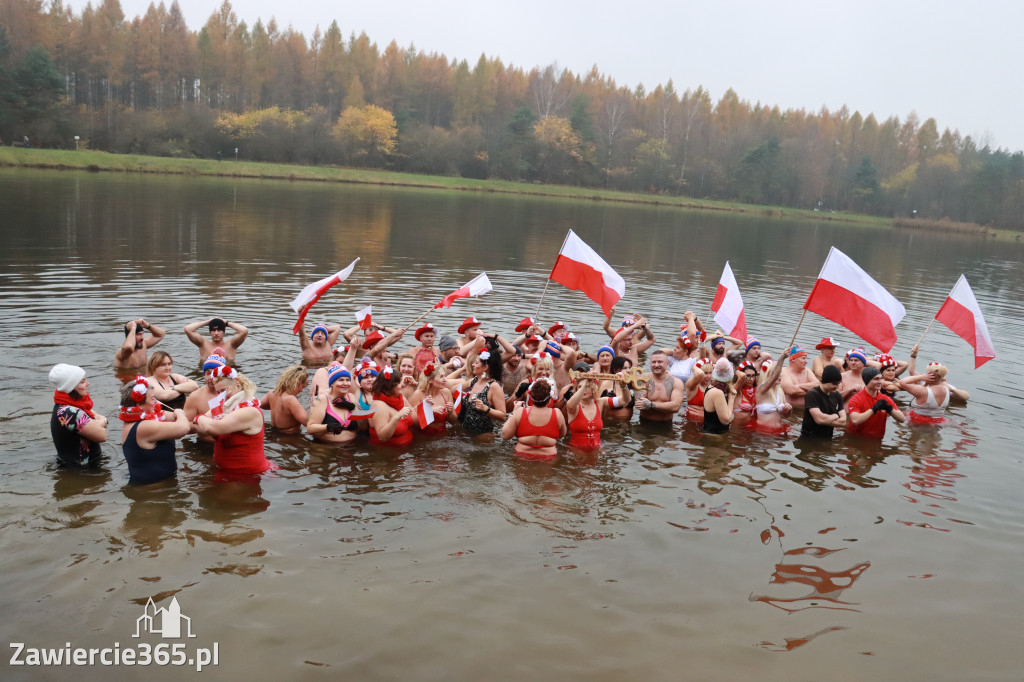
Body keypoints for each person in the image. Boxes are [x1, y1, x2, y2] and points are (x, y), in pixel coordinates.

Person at [194, 365, 274, 474]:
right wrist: (201, 420)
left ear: (238, 385)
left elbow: (212, 427)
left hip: (247, 474)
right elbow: (197, 426)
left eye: (224, 390)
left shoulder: (250, 411)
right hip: (225, 471)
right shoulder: (224, 406)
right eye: (218, 392)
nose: (222, 396)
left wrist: (199, 417)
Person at [118, 376, 190, 484]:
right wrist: (180, 413)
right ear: (139, 404)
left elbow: (176, 418)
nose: (156, 402)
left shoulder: (142, 417)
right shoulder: (143, 427)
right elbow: (183, 428)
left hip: (163, 484)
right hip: (154, 489)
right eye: (152, 399)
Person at [49, 363, 108, 467]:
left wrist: (96, 422)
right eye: (82, 382)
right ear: (70, 387)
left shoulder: (69, 405)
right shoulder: (70, 412)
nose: (88, 383)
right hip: (82, 469)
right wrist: (104, 420)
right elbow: (102, 435)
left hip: (80, 466)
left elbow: (94, 416)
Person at [501, 380, 566, 460]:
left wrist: (514, 412)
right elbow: (562, 434)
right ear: (550, 399)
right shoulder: (557, 414)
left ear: (531, 397)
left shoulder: (520, 412)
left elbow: (505, 435)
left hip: (522, 457)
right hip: (548, 459)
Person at [564, 376, 628, 450]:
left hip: (597, 451)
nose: (584, 390)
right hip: (577, 451)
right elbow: (569, 405)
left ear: (593, 389)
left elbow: (624, 401)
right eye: (580, 387)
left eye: (588, 387)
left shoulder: (600, 402)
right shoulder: (575, 406)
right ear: (576, 390)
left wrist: (624, 386)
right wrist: (585, 386)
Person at [457, 350, 506, 440]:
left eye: (476, 363)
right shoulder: (474, 381)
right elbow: (454, 390)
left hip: (482, 437)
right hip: (465, 434)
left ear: (485, 367)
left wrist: (486, 409)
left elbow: (503, 416)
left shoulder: (494, 387)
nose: (473, 365)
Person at [847, 367, 906, 438]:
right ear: (867, 381)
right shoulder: (856, 399)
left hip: (877, 439)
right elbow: (855, 420)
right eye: (876, 379)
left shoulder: (885, 398)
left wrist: (890, 409)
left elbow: (902, 419)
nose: (880, 382)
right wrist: (874, 409)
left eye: (881, 378)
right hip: (856, 438)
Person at [307, 365, 360, 444]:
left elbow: (364, 425)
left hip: (352, 446)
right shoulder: (322, 399)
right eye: (341, 380)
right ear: (332, 383)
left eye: (348, 380)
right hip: (326, 446)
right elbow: (310, 429)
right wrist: (328, 427)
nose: (345, 383)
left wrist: (352, 407)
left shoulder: (351, 397)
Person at [369, 365, 415, 446]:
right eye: (399, 383)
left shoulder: (399, 398)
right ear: (390, 386)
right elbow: (382, 437)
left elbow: (416, 419)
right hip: (388, 451)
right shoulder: (379, 406)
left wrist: (429, 408)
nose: (402, 385)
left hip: (406, 449)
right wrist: (397, 417)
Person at [637, 350, 685, 422]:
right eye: (653, 362)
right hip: (644, 422)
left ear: (667, 363)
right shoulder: (643, 380)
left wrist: (651, 405)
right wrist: (667, 407)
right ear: (650, 364)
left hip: (666, 423)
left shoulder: (676, 382)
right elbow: (640, 405)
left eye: (660, 362)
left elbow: (675, 407)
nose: (656, 365)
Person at [800, 365, 847, 438]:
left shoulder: (838, 395)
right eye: (834, 384)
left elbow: (843, 422)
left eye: (838, 383)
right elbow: (819, 420)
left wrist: (825, 419)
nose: (837, 387)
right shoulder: (812, 394)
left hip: (828, 437)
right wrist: (835, 416)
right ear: (825, 381)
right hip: (809, 437)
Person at [751, 352, 793, 434]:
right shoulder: (761, 389)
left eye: (780, 374)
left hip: (778, 431)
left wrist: (788, 409)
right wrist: (781, 359)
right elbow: (773, 378)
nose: (779, 376)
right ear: (767, 375)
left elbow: (786, 416)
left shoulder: (780, 390)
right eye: (776, 374)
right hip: (763, 432)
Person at [410, 362, 456, 435]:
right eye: (441, 377)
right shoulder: (418, 394)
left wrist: (450, 412)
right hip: (423, 436)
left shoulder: (446, 392)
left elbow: (453, 422)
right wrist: (429, 411)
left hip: (442, 435)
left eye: (445, 376)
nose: (445, 380)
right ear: (430, 380)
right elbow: (413, 423)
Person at [260, 366, 309, 433]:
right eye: (302, 387)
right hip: (289, 437)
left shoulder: (272, 393)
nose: (301, 390)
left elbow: (260, 405)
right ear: (295, 383)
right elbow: (308, 423)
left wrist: (275, 406)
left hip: (273, 434)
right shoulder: (290, 400)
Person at [184, 353, 228, 423]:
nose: (211, 377)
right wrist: (203, 425)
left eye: (215, 373)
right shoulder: (195, 397)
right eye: (208, 373)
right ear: (204, 375)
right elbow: (186, 424)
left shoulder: (231, 393)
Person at [184, 317, 248, 363]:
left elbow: (244, 331)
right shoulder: (203, 344)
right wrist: (208, 322)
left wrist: (226, 323)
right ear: (210, 332)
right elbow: (187, 329)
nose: (216, 333)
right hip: (208, 374)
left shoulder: (232, 345)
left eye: (219, 330)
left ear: (223, 332)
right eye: (213, 330)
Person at [703, 358, 738, 434]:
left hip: (711, 434)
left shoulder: (711, 386)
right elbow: (726, 420)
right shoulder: (718, 393)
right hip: (715, 437)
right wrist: (731, 399)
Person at [780, 345, 819, 409]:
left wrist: (798, 386)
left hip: (808, 409)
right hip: (789, 411)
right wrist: (812, 390)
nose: (806, 361)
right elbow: (791, 391)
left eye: (806, 358)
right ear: (793, 359)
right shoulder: (784, 371)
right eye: (803, 358)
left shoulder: (807, 371)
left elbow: (818, 385)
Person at [684, 358, 713, 423]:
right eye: (705, 373)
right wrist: (694, 366)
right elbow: (699, 374)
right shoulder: (693, 385)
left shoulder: (712, 386)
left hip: (708, 423)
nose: (709, 376)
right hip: (693, 423)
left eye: (710, 373)